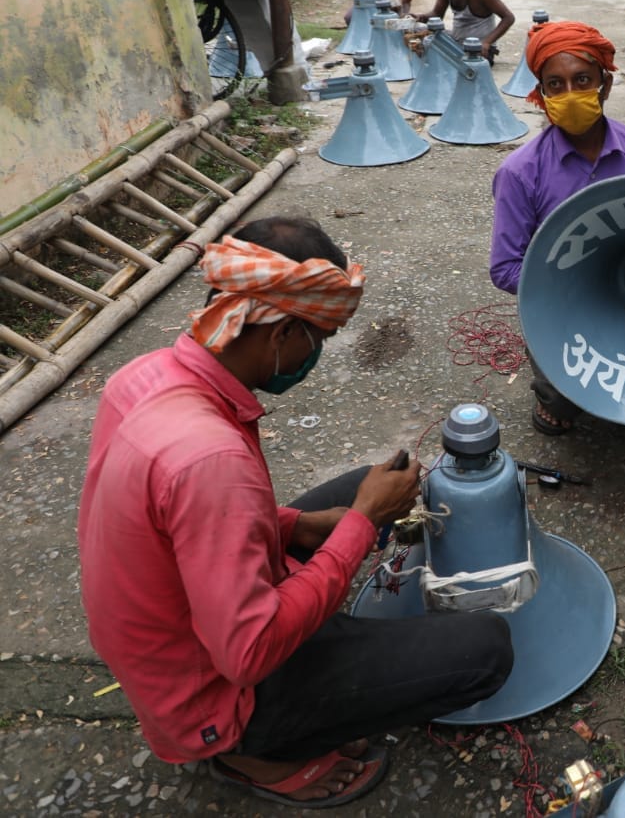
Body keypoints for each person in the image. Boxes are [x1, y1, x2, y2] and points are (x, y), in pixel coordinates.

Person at [77, 217, 513, 808]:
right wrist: (357, 529)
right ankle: (252, 753)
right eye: (319, 338)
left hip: (180, 630)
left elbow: (178, 526)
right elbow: (248, 651)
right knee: (486, 651)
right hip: (214, 692)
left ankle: (322, 642)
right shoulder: (209, 458)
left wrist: (306, 527)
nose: (317, 355)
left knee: (366, 488)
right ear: (280, 332)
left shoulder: (147, 376)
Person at [488, 21, 625, 438]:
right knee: (563, 409)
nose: (570, 94)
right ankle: (551, 390)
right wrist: (577, 285)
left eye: (582, 80)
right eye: (555, 84)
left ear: (605, 84)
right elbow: (505, 268)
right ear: (542, 95)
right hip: (565, 308)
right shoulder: (519, 173)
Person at [420, 0, 515, 64]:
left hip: (478, 51)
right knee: (421, 37)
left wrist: (487, 42)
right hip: (456, 43)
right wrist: (422, 17)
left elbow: (508, 18)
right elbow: (437, 14)